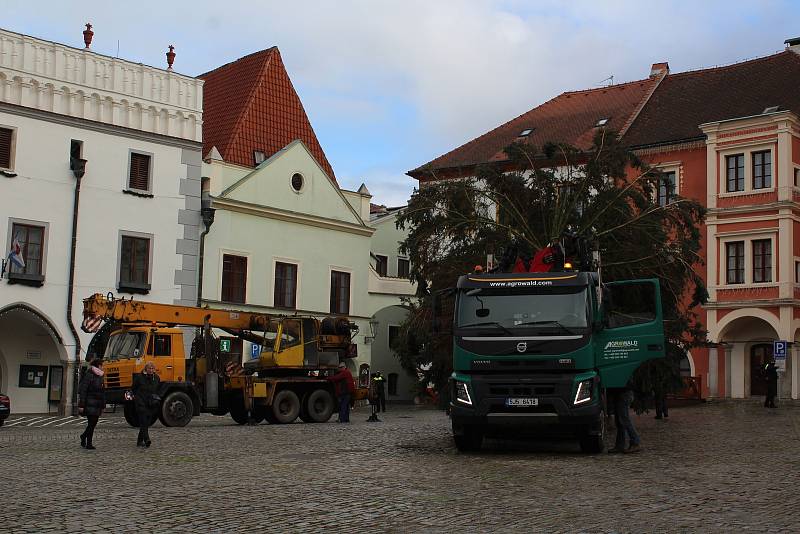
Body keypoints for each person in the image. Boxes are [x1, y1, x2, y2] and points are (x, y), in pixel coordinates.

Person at [78, 358, 106, 450]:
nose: (103, 367)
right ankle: (89, 443)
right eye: (102, 365)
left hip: (97, 403)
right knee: (91, 423)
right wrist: (81, 405)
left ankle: (83, 436)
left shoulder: (101, 376)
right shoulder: (89, 375)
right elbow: (83, 390)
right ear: (98, 365)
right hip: (89, 402)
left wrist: (103, 405)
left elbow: (102, 392)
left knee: (93, 423)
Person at [132, 361, 161, 447]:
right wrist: (137, 399)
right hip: (141, 402)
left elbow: (157, 389)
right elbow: (133, 388)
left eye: (152, 368)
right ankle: (147, 439)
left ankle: (139, 441)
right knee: (143, 421)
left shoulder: (156, 378)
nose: (151, 370)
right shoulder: (139, 377)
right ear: (146, 369)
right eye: (149, 368)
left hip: (151, 403)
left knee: (146, 423)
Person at [608, 386, 641, 454]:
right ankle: (620, 445)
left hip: (623, 393)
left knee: (624, 419)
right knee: (620, 421)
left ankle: (635, 442)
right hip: (621, 393)